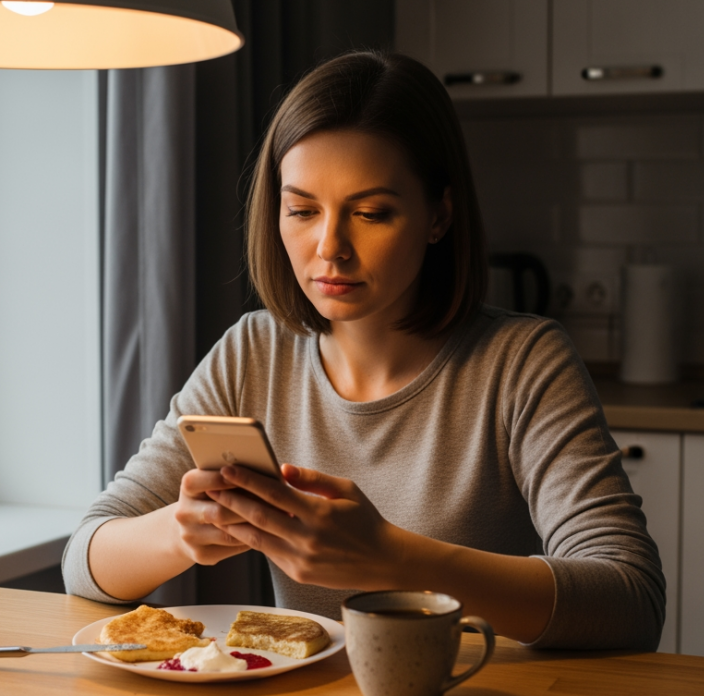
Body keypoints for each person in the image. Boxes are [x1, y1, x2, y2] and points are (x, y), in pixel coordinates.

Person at [63, 51, 664, 650]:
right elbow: (84, 559)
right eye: (302, 210)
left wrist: (393, 558)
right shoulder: (253, 350)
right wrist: (181, 533)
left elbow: (630, 599)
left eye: (372, 213)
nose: (330, 247)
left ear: (439, 216)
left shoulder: (522, 361)